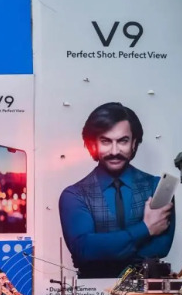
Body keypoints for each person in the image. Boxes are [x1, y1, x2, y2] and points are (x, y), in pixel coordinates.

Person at [59, 102, 175, 279]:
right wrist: (145, 229)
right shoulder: (74, 195)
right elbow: (83, 250)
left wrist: (102, 252)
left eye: (123, 141)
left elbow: (161, 248)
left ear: (134, 143)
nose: (115, 151)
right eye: (106, 141)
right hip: (93, 293)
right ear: (93, 144)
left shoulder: (156, 186)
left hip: (144, 292)